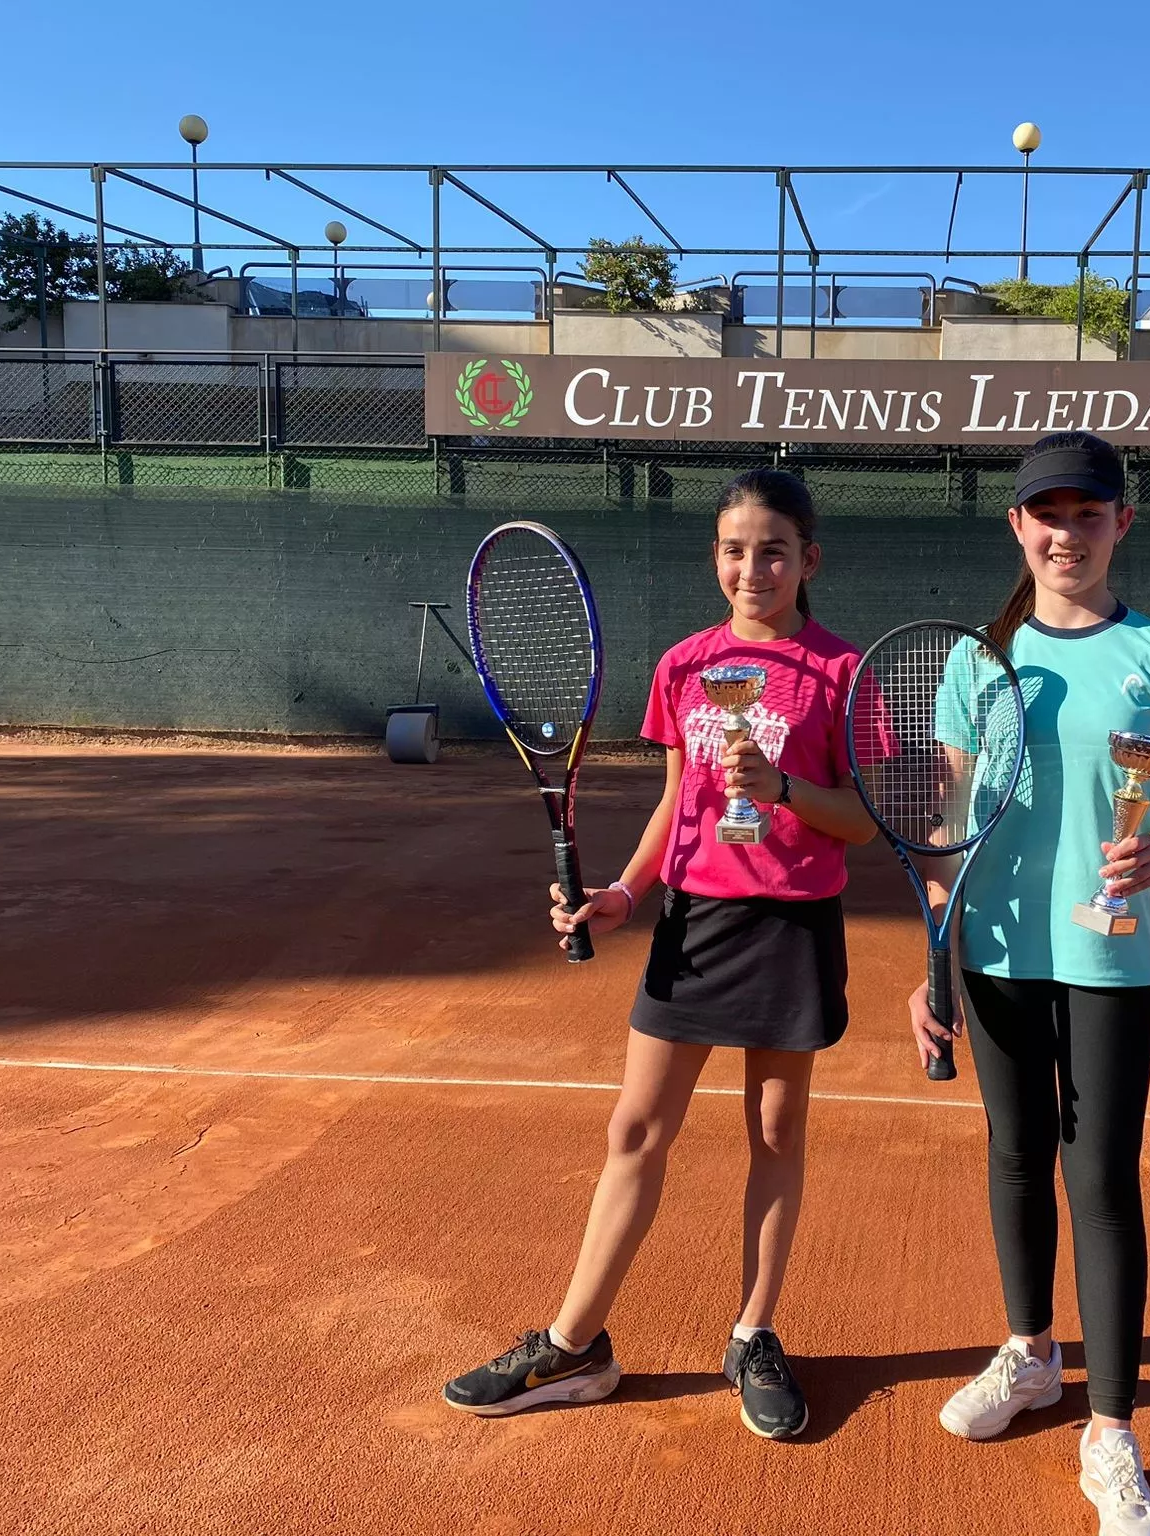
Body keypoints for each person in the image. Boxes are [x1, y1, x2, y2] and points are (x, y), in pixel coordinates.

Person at [443, 468, 880, 1441]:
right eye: (734, 549)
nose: (751, 567)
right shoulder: (684, 664)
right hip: (693, 924)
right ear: (715, 558)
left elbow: (862, 823)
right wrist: (622, 896)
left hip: (793, 923)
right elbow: (675, 805)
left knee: (774, 1136)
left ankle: (753, 1335)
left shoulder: (841, 672)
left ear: (807, 560)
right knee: (635, 1131)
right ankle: (573, 1344)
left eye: (772, 549)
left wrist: (781, 790)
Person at [912, 431, 1150, 1536]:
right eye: (1046, 512)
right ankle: (1028, 1354)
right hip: (991, 949)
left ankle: (1110, 1429)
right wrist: (932, 961)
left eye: (1088, 513)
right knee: (1011, 1154)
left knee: (1099, 1178)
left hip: (1109, 952)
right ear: (1016, 528)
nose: (1065, 532)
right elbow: (944, 824)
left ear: (1119, 525)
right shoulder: (970, 663)